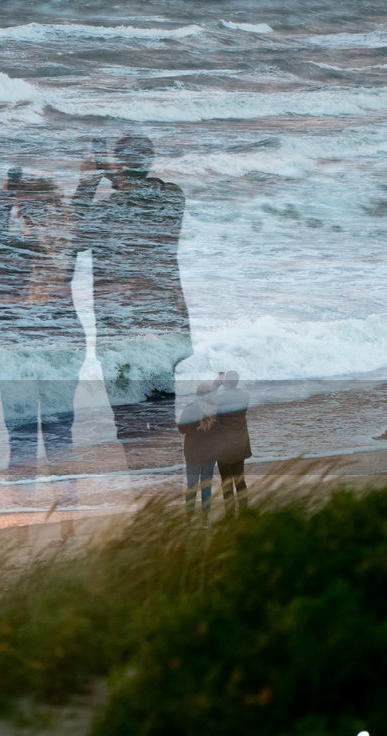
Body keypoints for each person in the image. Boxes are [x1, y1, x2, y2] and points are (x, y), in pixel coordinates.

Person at [73, 134, 192, 469]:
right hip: (166, 326)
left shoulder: (105, 212)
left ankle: (147, 496)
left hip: (120, 330)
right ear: (149, 162)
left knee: (129, 427)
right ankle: (174, 498)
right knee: (164, 420)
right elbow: (141, 192)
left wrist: (87, 182)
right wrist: (117, 173)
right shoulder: (172, 198)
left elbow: (72, 237)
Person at [0, 168, 85, 474]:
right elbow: (77, 211)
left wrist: (3, 196)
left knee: (22, 441)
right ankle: (67, 519)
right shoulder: (67, 244)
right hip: (66, 345)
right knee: (60, 437)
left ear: (20, 211)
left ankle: (26, 519)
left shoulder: (12, 251)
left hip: (17, 348)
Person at [211, 370, 252, 513]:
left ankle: (229, 513)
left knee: (226, 481)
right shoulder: (244, 396)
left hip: (224, 444)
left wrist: (215, 386)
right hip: (240, 442)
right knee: (239, 478)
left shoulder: (220, 397)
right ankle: (244, 510)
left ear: (225, 382)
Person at [177, 382, 218, 520]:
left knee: (192, 485)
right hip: (210, 453)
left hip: (193, 452)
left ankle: (189, 515)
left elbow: (182, 430)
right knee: (206, 484)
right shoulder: (215, 410)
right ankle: (205, 517)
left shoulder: (190, 409)